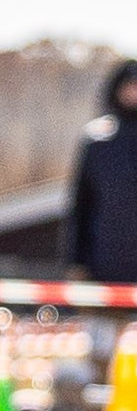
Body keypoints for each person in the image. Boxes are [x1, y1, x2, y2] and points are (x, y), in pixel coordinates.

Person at [68, 60, 137, 286]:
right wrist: (76, 261)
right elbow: (81, 205)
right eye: (130, 85)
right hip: (106, 265)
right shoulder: (98, 140)